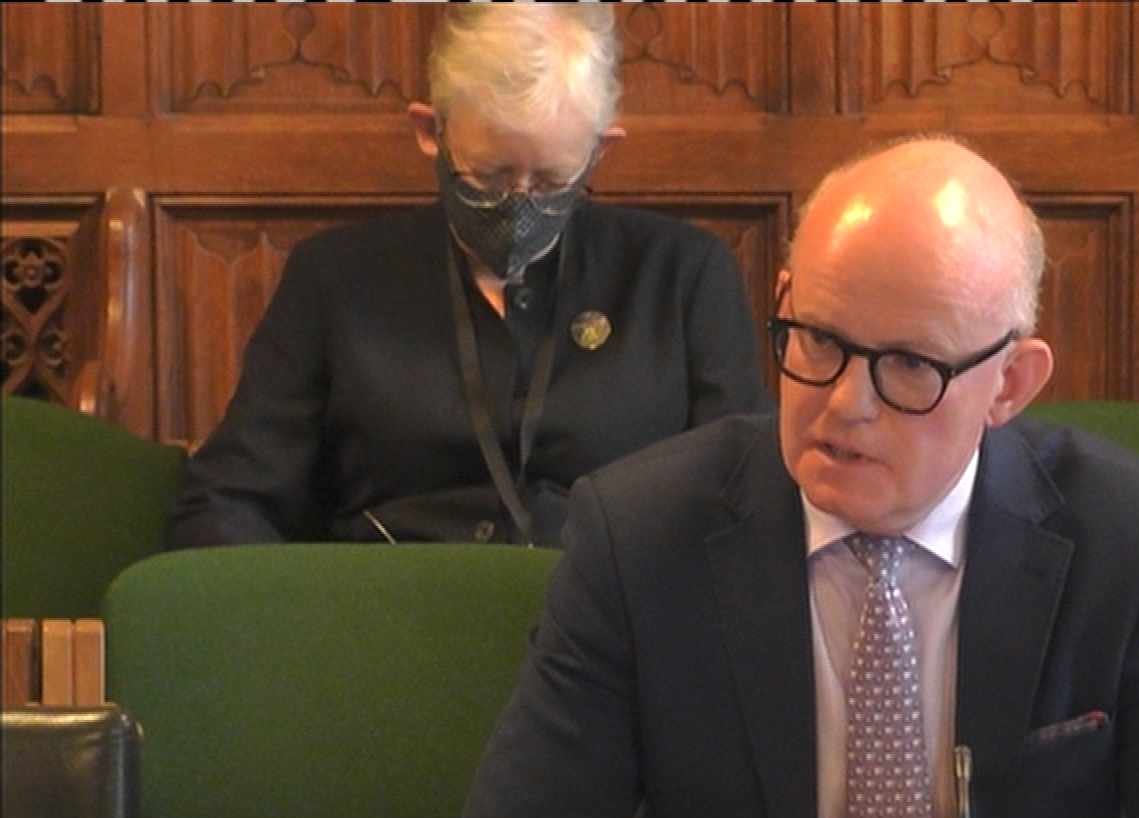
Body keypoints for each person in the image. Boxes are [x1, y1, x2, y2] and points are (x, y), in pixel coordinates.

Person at [439, 135, 1139, 818]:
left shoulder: (1127, 540)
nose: (844, 403)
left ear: (1010, 384)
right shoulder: (643, 532)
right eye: (818, 340)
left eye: (910, 366)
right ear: (783, 303)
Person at [166, 5, 770, 549]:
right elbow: (227, 501)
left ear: (600, 152)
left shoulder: (682, 275)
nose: (519, 203)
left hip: (610, 617)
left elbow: (745, 495)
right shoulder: (334, 279)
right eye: (490, 175)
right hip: (389, 610)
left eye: (551, 181)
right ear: (430, 132)